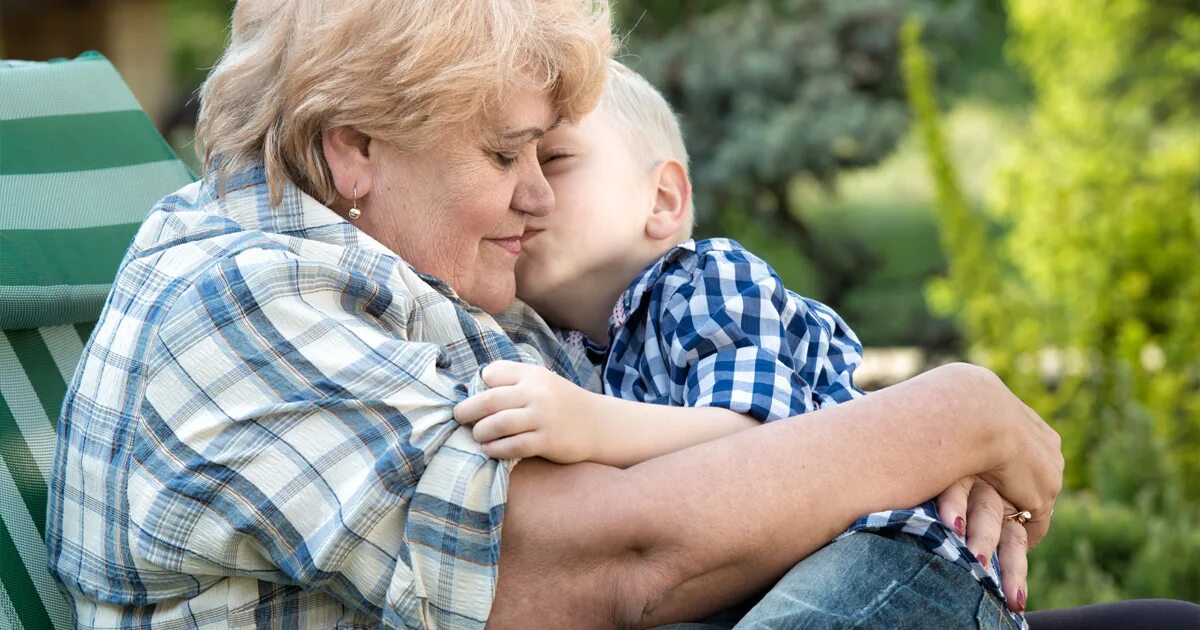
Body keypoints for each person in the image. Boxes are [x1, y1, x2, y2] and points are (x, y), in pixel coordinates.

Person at [45, 0, 1072, 628]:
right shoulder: (236, 310)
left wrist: (904, 466)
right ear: (352, 146)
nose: (540, 198)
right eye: (504, 154)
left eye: (548, 153)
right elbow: (615, 563)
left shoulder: (424, 285)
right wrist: (940, 420)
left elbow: (687, 469)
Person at [454, 59, 1024, 627]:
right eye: (507, 162)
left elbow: (758, 433)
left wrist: (588, 423)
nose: (527, 194)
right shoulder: (559, 348)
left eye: (554, 159)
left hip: (887, 556)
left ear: (664, 200)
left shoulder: (707, 279)